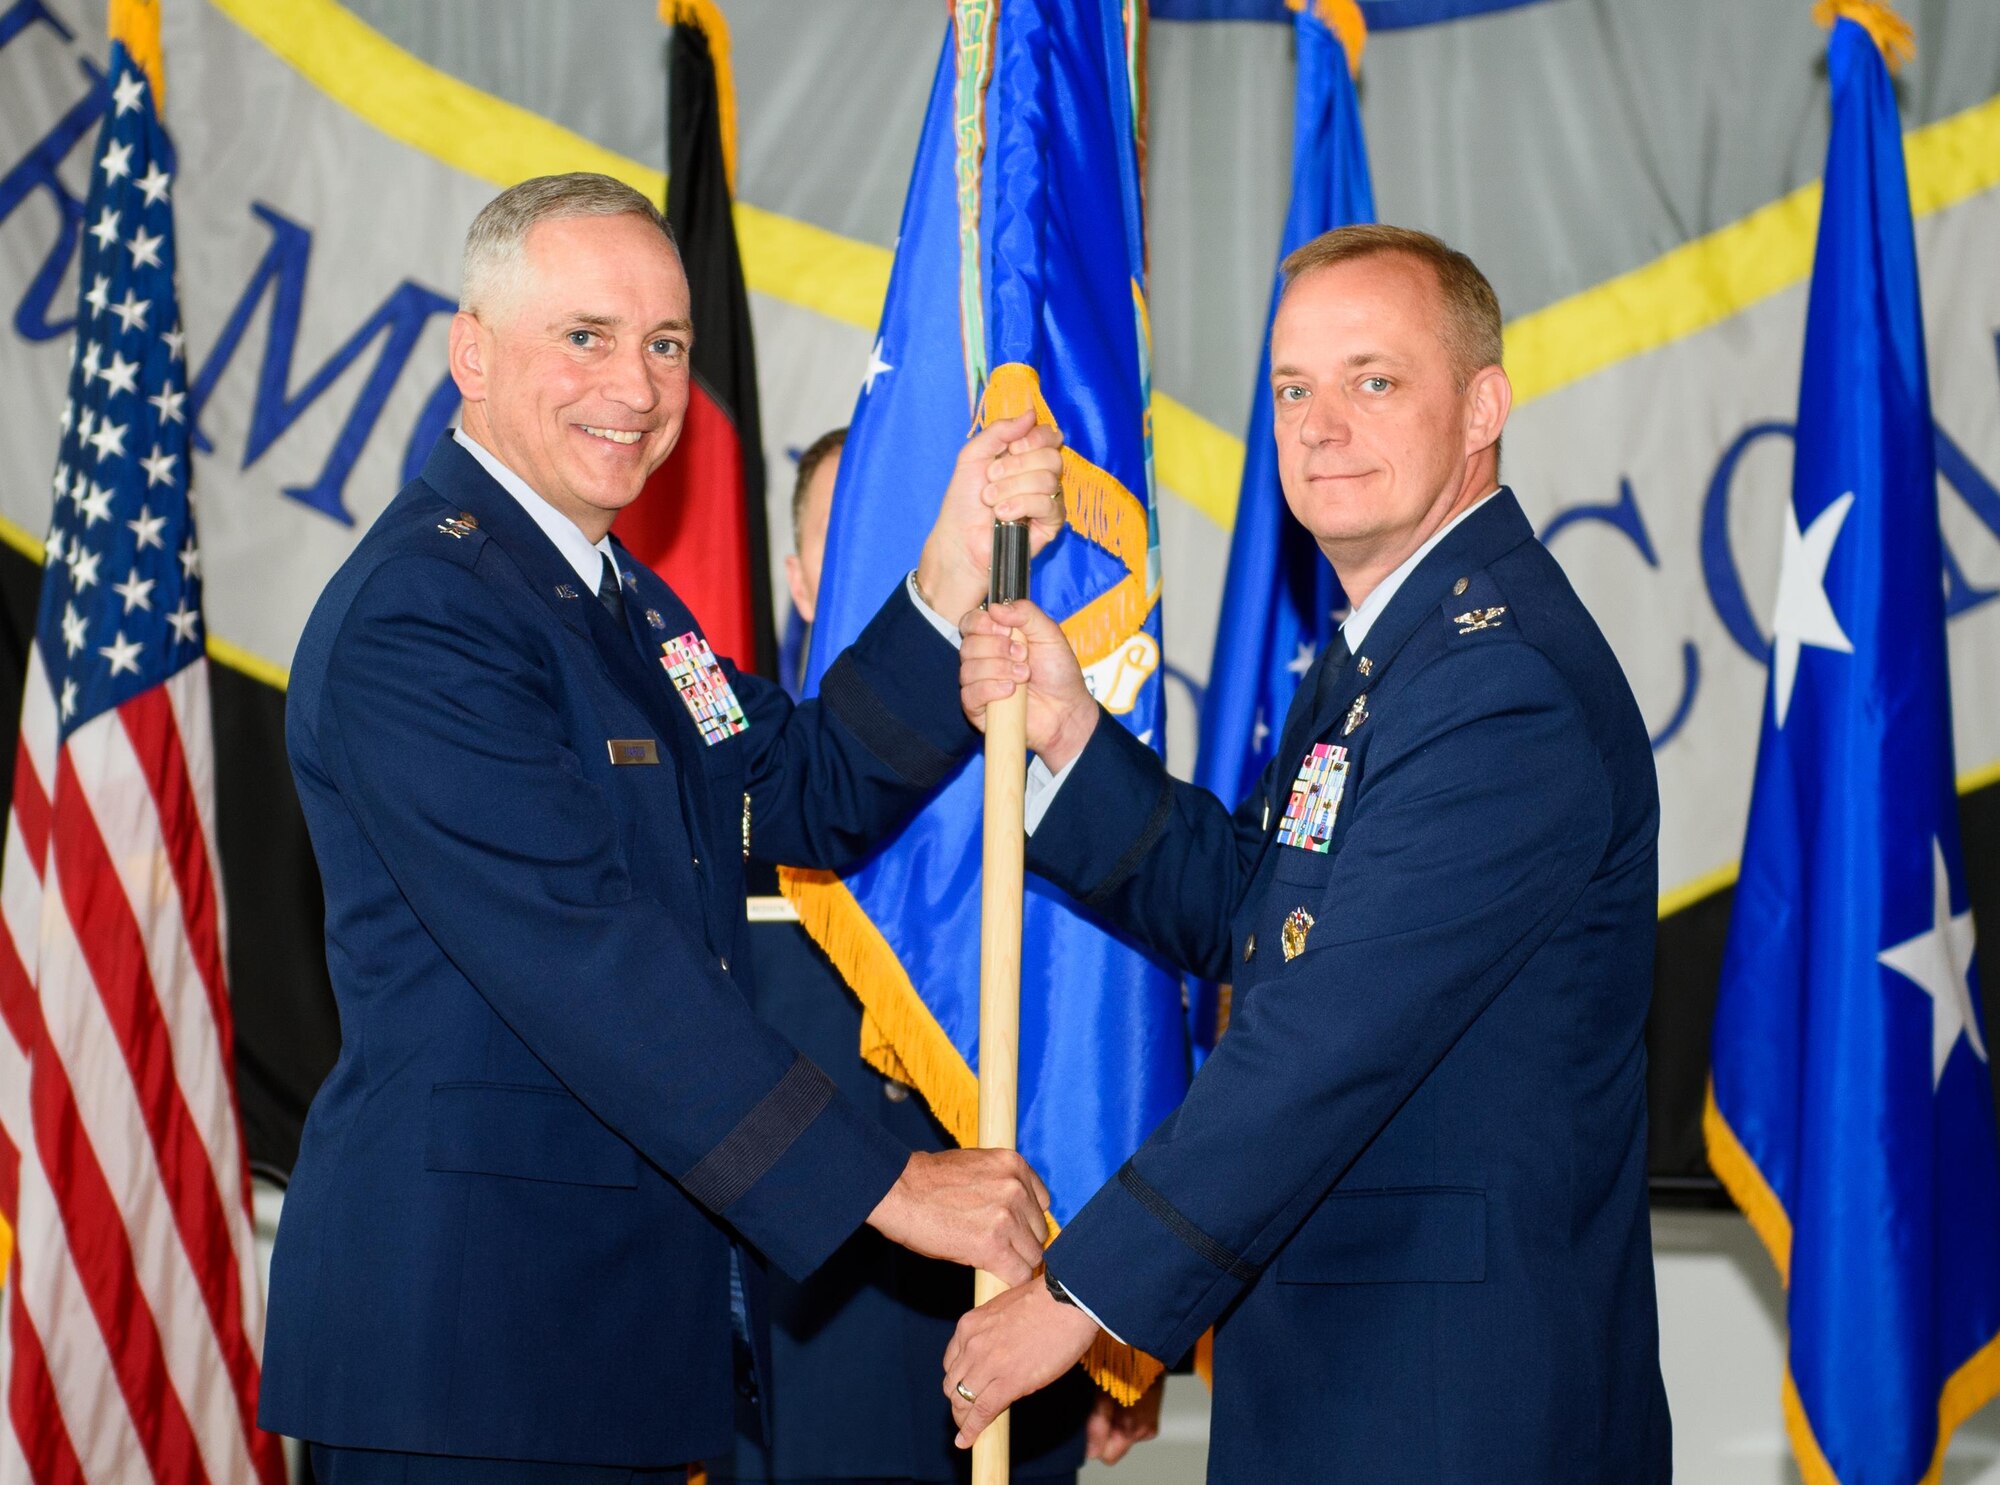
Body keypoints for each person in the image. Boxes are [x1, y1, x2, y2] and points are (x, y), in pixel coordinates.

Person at [261, 172, 1071, 1483]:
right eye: (585, 337)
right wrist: (891, 1181)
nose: (636, 388)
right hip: (469, 1358)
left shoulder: (622, 606)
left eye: (667, 346)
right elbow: (591, 960)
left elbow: (793, 788)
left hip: (605, 1348)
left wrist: (946, 572)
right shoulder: (428, 613)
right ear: (473, 351)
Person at [947, 225, 1673, 1483]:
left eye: (1372, 380)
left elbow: (1326, 1032)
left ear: (1482, 405)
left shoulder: (1496, 682)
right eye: (1291, 389)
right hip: (1357, 1370)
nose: (1319, 424)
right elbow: (1263, 917)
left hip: (1447, 1400)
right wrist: (1068, 733)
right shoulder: (1393, 650)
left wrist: (1077, 1297)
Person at [726, 432, 1156, 1485]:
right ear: (793, 575)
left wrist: (1124, 1326)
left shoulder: (1032, 786)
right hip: (788, 1311)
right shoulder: (738, 777)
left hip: (1011, 1305)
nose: (884, 580)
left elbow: (1111, 1039)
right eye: (851, 543)